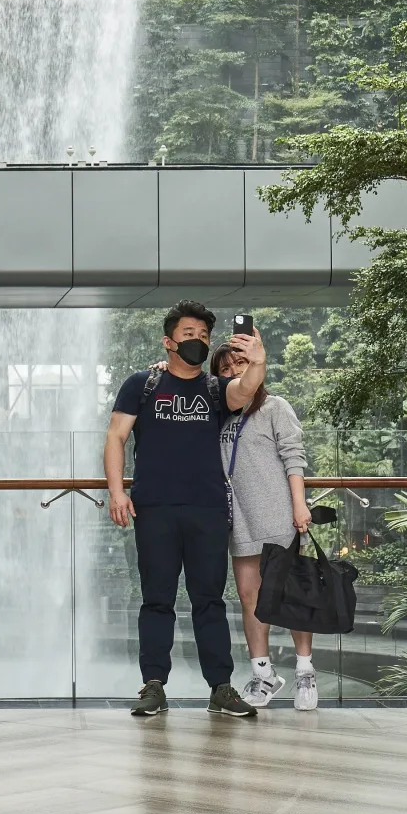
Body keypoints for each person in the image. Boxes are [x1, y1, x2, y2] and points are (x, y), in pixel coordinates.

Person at [104, 302, 265, 719]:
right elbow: (116, 437)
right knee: (156, 599)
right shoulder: (142, 384)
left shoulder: (215, 388)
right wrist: (118, 491)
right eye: (189, 334)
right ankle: (153, 685)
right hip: (153, 507)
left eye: (203, 336)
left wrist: (258, 359)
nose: (197, 341)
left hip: (207, 509)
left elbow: (244, 390)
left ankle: (220, 687)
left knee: (209, 600)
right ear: (169, 341)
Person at [212, 342, 317, 711]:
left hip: (277, 516)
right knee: (249, 597)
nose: (234, 372)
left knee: (289, 596)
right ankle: (263, 675)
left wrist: (299, 505)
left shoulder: (276, 408)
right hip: (238, 519)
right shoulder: (217, 411)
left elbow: (294, 457)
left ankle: (305, 672)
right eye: (225, 368)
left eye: (240, 362)